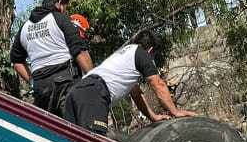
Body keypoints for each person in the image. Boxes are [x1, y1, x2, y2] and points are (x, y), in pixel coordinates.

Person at [62, 30, 194, 136]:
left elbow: (136, 94)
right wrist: (175, 112)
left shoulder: (126, 54)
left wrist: (153, 116)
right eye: (154, 56)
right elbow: (158, 84)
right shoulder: (142, 55)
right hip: (93, 94)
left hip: (76, 92)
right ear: (150, 50)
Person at [10, 0, 94, 115]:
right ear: (59, 4)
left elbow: (16, 61)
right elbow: (80, 51)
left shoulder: (25, 27)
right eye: (65, 8)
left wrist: (32, 80)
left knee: (48, 125)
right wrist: (93, 80)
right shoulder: (61, 19)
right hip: (66, 83)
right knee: (74, 123)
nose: (65, 11)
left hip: (41, 88)